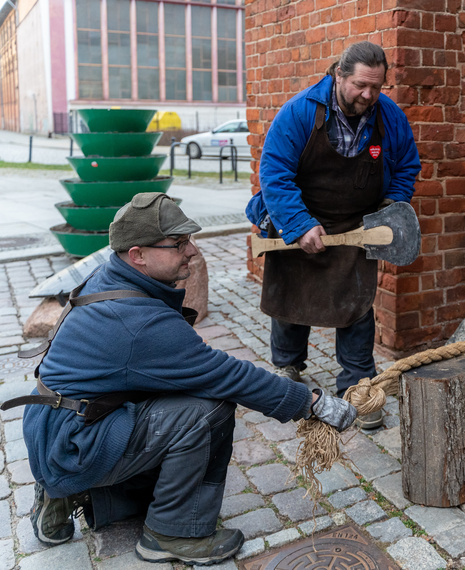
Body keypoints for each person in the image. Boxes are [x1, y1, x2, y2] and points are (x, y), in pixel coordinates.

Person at [10, 193, 356, 566]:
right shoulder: (137, 322)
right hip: (72, 441)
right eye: (177, 244)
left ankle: (69, 492)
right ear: (138, 254)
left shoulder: (110, 276)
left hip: (60, 424)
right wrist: (312, 402)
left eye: (188, 240)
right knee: (208, 412)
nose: (191, 251)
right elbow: (226, 375)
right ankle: (172, 533)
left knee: (181, 399)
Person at [246, 41, 420, 430]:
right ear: (338, 75)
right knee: (290, 296)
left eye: (377, 87)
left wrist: (389, 209)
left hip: (356, 225)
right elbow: (274, 174)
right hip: (301, 216)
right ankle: (288, 367)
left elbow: (407, 164)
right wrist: (299, 224)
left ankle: (357, 383)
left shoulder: (387, 115)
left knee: (356, 306)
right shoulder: (299, 112)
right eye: (360, 85)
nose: (368, 95)